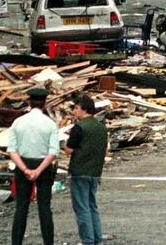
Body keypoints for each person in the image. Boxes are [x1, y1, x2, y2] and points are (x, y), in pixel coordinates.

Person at [8, 87, 59, 245]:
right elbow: (53, 152)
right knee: (44, 208)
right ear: (44, 103)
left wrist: (24, 169)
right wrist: (38, 170)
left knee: (21, 208)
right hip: (43, 167)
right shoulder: (50, 124)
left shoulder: (18, 122)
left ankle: (16, 242)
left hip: (23, 164)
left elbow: (12, 150)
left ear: (29, 102)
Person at [64, 95, 109, 245]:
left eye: (76, 108)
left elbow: (69, 150)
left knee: (82, 208)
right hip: (95, 171)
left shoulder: (79, 127)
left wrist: (65, 144)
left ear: (84, 109)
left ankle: (88, 240)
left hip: (79, 171)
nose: (74, 111)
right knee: (92, 206)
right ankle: (97, 238)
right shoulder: (101, 127)